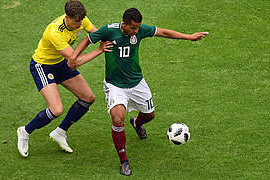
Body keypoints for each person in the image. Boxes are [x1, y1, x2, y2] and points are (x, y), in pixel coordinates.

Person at [70, 8, 208, 176]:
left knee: (150, 115)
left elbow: (163, 32)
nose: (137, 31)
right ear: (124, 24)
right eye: (133, 28)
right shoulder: (109, 31)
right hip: (115, 85)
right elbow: (87, 40)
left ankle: (137, 123)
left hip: (137, 83)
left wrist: (188, 36)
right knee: (117, 118)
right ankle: (124, 161)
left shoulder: (140, 30)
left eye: (138, 27)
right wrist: (74, 57)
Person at [17, 0, 112, 157]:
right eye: (76, 21)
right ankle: (25, 131)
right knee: (56, 109)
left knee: (88, 97)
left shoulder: (81, 19)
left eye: (82, 20)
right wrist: (99, 51)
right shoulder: (55, 33)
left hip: (60, 64)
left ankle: (60, 132)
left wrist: (110, 41)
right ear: (67, 17)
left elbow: (97, 34)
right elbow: (75, 61)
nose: (80, 24)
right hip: (43, 66)